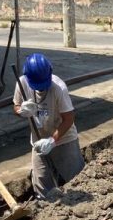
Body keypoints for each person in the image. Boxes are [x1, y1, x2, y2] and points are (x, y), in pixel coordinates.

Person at [14, 53, 85, 198]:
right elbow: (15, 105)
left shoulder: (59, 88)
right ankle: (45, 208)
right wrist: (21, 111)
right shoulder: (22, 83)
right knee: (41, 183)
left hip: (64, 139)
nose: (40, 89)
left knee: (77, 180)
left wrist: (52, 141)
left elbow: (69, 118)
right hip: (38, 141)